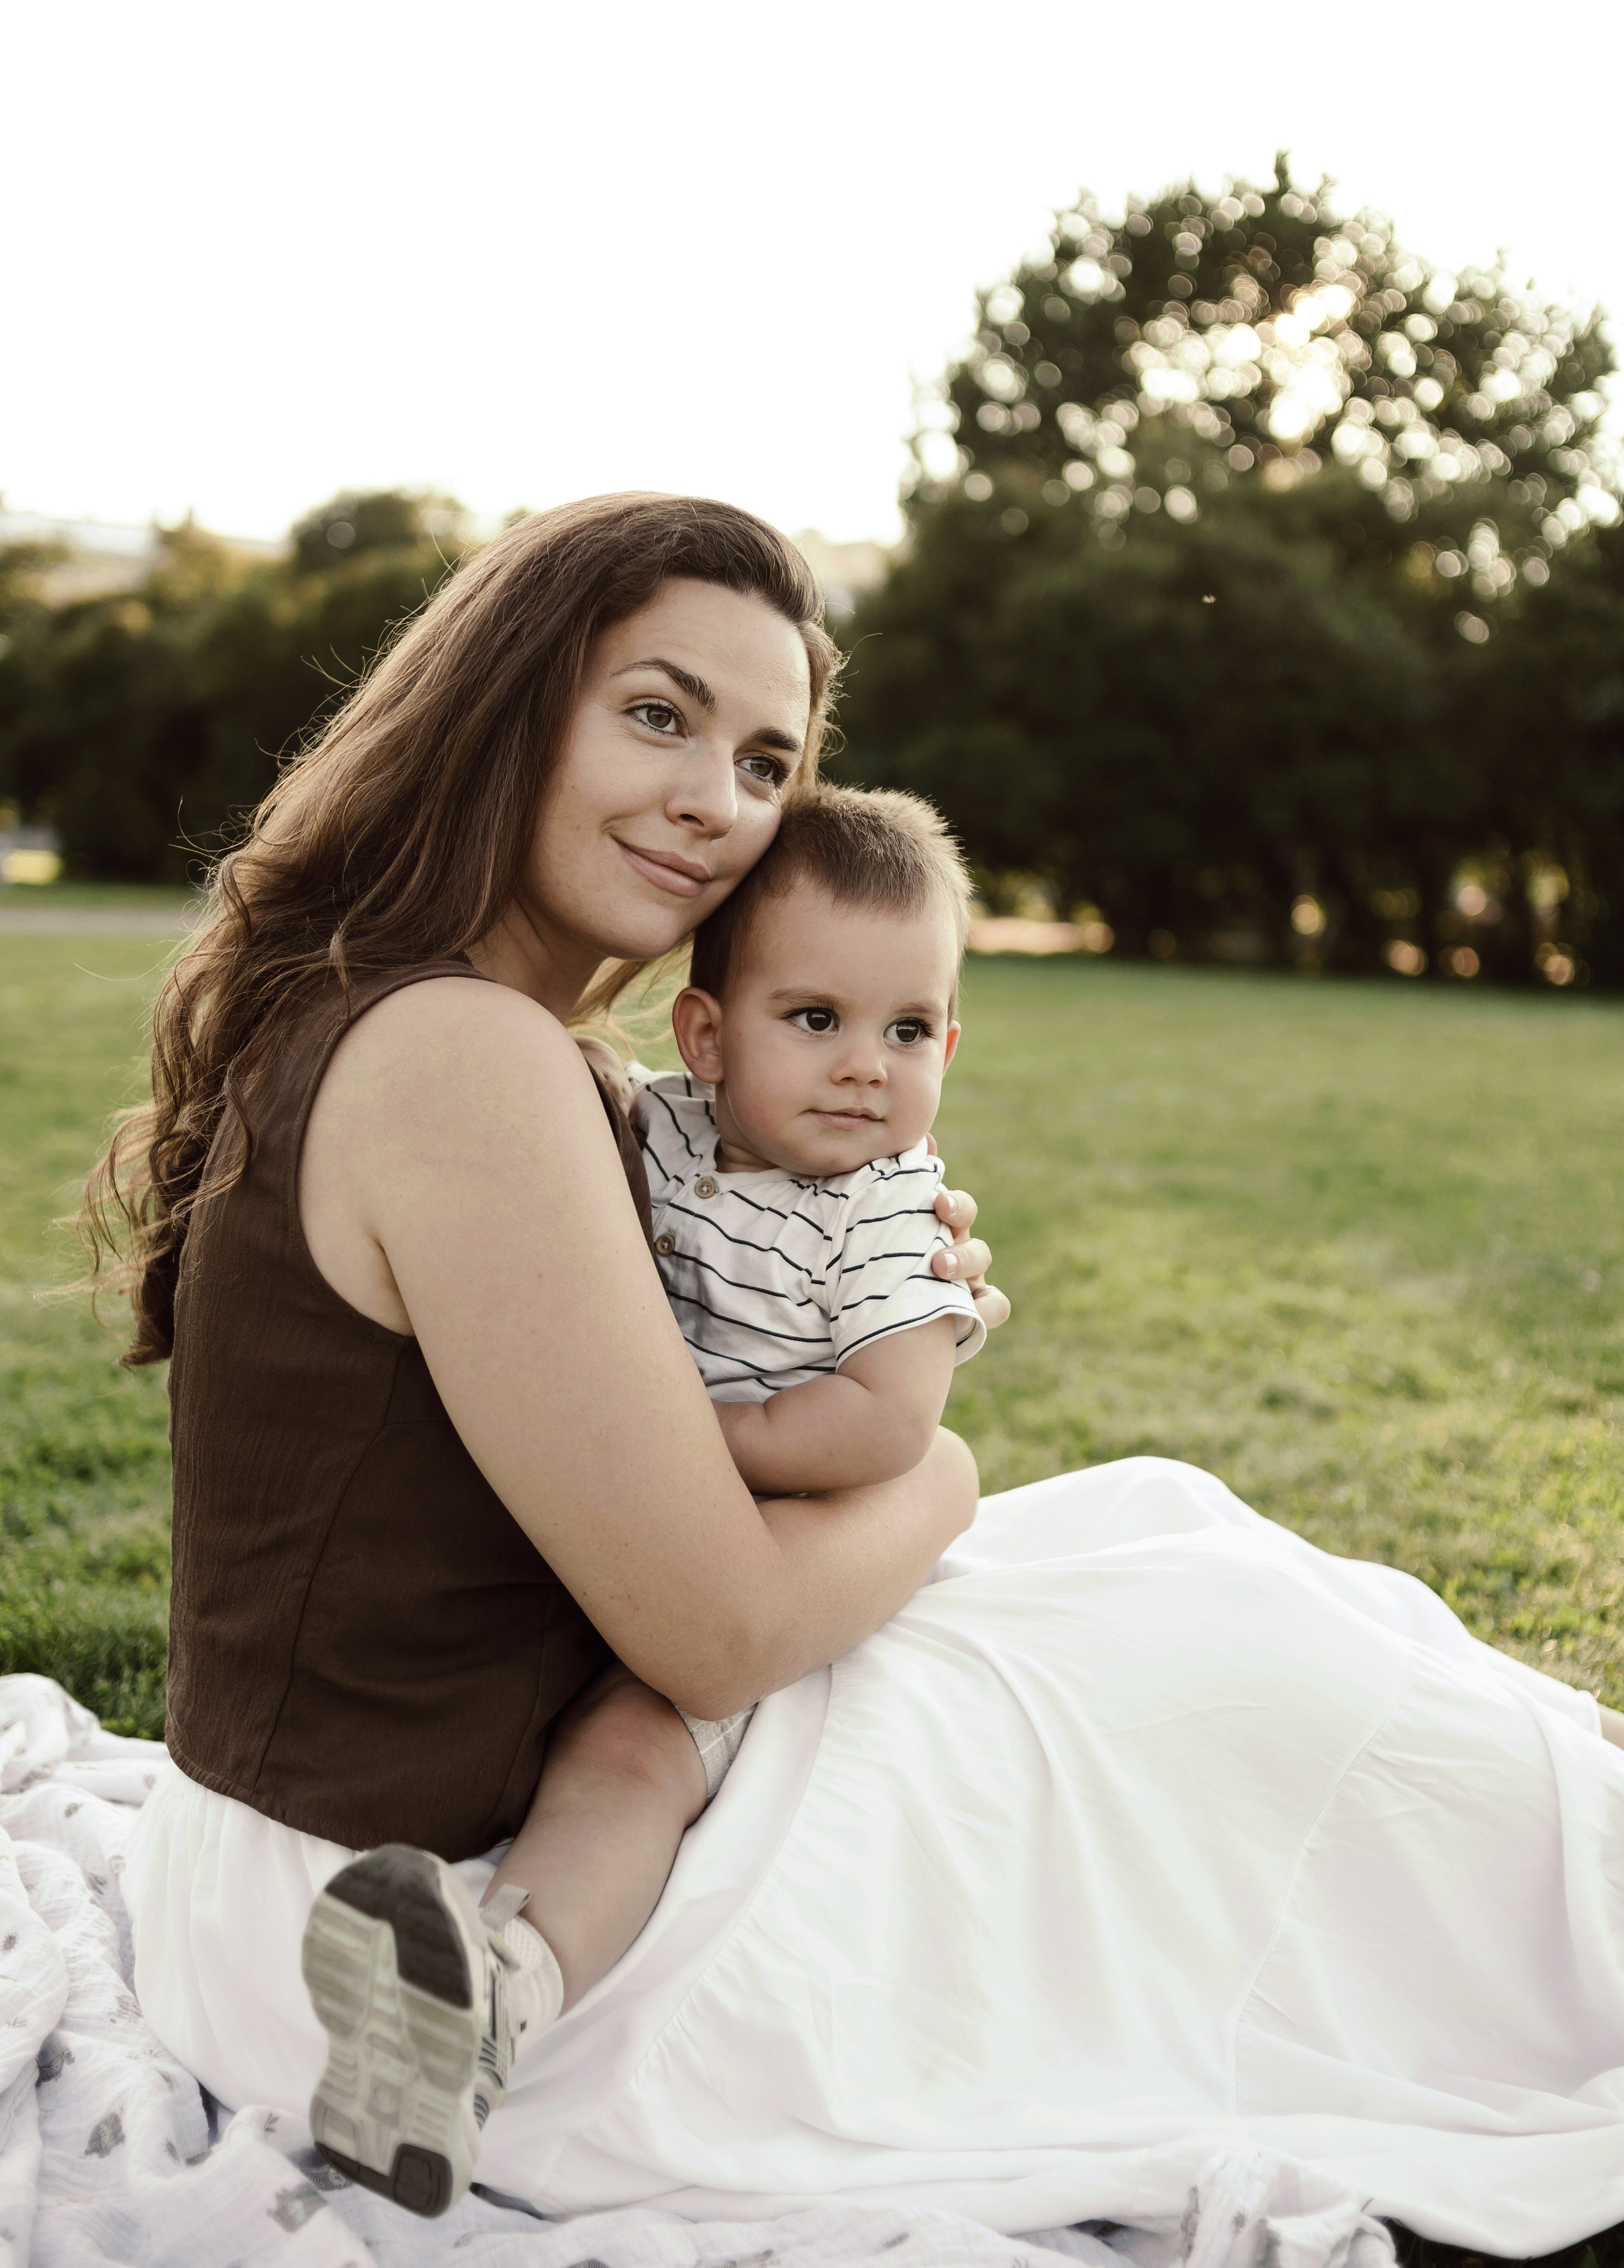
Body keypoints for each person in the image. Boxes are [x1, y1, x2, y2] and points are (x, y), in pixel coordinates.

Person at [111, 493, 1624, 2253]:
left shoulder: (517, 1052)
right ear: (508, 700)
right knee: (1185, 1645)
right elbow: (721, 1635)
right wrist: (938, 1464)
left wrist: (853, 1267)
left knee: (1166, 1574)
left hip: (378, 1846)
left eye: (767, 757)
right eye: (658, 715)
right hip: (413, 1923)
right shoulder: (460, 1054)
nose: (717, 802)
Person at [300, 785, 990, 2210]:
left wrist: (686, 1434)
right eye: (816, 1019)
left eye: (908, 1030)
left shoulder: (887, 1215)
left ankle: (496, 1993)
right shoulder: (664, 1129)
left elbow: (883, 1425)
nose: (867, 1069)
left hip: (787, 1556)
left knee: (632, 1760)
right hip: (644, 1535)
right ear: (705, 1036)